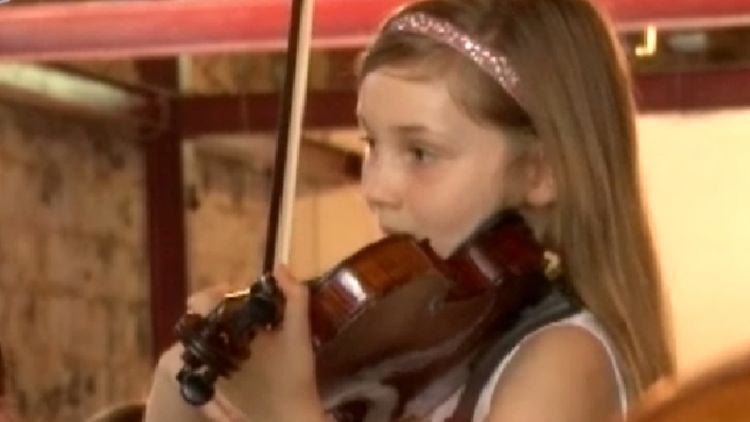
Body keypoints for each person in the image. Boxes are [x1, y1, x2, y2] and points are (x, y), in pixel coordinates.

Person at [144, 0, 674, 420]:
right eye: (371, 143)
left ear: (542, 170)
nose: (377, 187)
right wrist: (185, 394)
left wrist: (287, 409)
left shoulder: (565, 361)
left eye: (421, 153)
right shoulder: (420, 358)